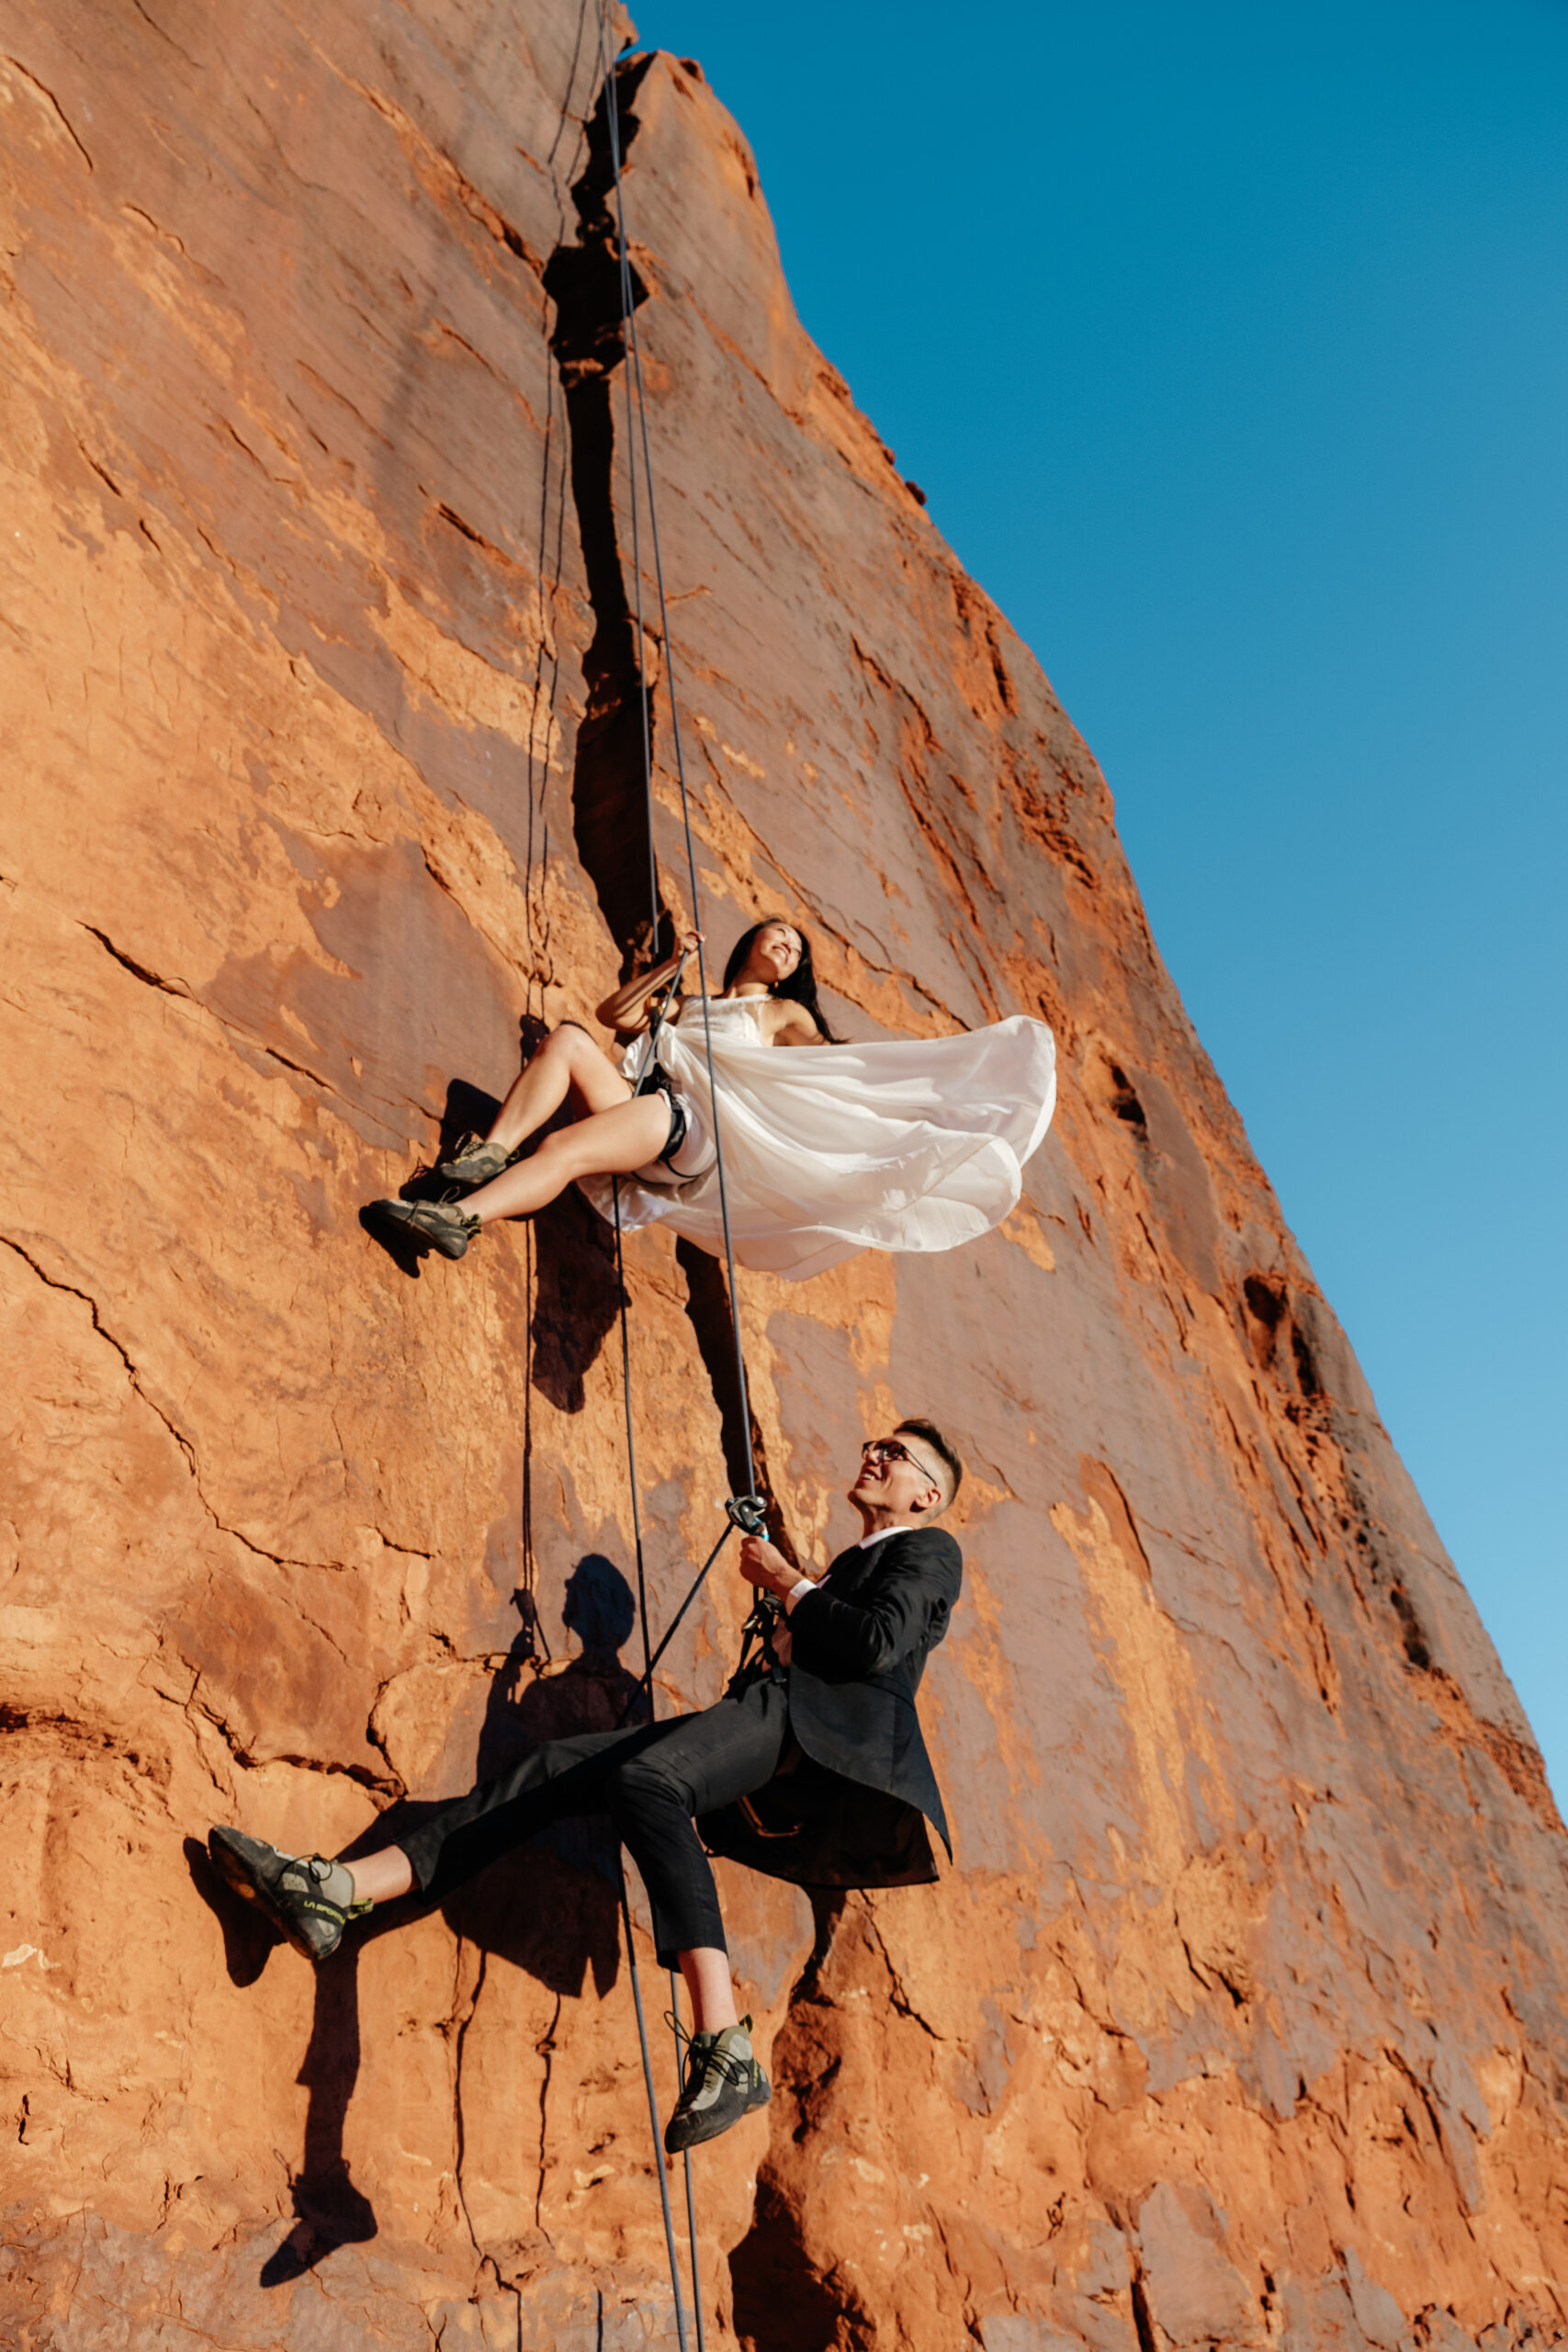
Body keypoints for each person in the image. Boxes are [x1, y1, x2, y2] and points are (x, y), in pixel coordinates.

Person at [209, 1417, 965, 2154]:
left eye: (894, 1453)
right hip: (769, 1712)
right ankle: (337, 1892)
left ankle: (724, 2041)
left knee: (647, 1781)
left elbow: (873, 1644)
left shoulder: (931, 1550)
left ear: (925, 1495)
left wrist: (788, 1583)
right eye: (873, 1443)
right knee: (549, 1771)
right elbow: (841, 1634)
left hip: (793, 1725)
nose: (872, 1453)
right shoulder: (856, 1559)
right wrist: (791, 1606)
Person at [367, 918, 1056, 1280]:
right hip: (648, 1107)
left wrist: (898, 1114)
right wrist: (674, 967)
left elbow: (832, 1073)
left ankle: (457, 1219)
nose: (785, 946)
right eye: (778, 934)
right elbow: (617, 1017)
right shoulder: (691, 1001)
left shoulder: (785, 1016)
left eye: (795, 947)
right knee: (571, 1040)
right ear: (751, 941)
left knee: (564, 1148)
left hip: (688, 1126)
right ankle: (485, 1157)